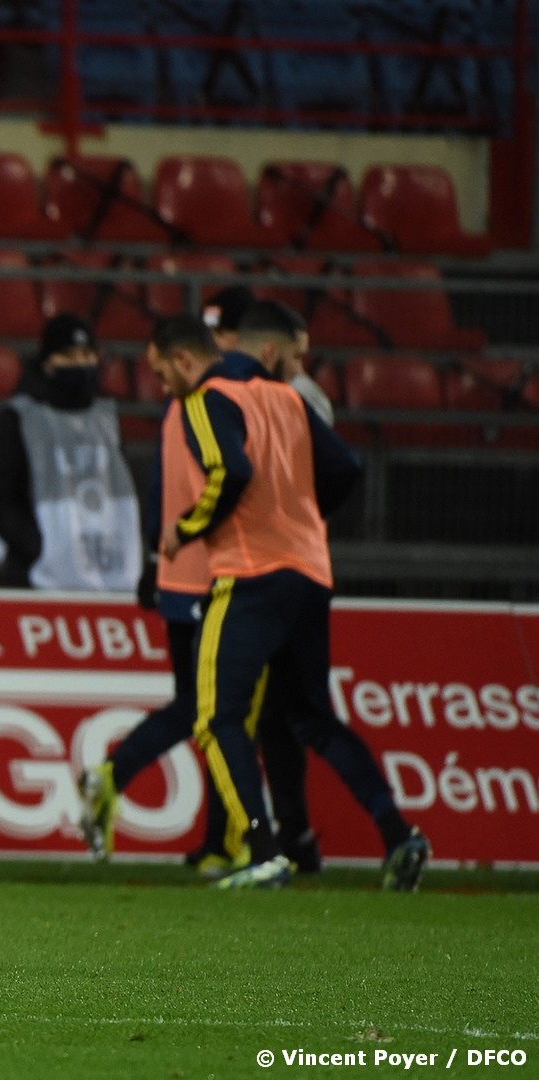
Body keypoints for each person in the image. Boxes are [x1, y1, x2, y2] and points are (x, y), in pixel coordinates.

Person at [141, 309, 429, 890]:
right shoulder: (286, 397)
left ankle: (262, 850)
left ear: (184, 360)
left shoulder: (206, 400)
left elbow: (230, 472)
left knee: (215, 716)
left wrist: (185, 529)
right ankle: (399, 835)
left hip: (249, 575)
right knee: (313, 718)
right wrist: (301, 517)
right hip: (310, 572)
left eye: (162, 372)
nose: (163, 386)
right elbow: (345, 466)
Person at [82, 298, 325, 876]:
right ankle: (236, 840)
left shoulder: (185, 406)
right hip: (220, 574)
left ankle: (210, 835)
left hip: (179, 577)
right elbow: (235, 482)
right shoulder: (225, 400)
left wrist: (154, 556)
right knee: (227, 713)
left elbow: (162, 485)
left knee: (206, 709)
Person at [0, 313, 142, 591]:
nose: (80, 363)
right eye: (68, 356)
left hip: (110, 575)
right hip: (38, 580)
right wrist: (39, 545)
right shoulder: (20, 418)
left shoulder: (106, 419)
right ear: (47, 361)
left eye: (86, 354)